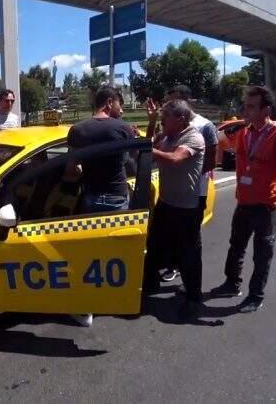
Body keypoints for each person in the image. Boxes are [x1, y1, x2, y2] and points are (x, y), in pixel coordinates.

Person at [210, 86, 276, 313]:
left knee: (262, 254)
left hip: (265, 206)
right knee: (236, 246)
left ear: (265, 110)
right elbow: (221, 147)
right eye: (245, 105)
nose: (245, 110)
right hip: (243, 203)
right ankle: (231, 284)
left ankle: (255, 296)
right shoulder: (244, 133)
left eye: (250, 106)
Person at [65, 85, 135, 327]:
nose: (121, 109)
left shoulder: (77, 131)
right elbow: (129, 164)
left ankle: (86, 310)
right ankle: (118, 301)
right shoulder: (123, 129)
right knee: (116, 255)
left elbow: (71, 171)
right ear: (109, 102)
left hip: (91, 198)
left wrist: (82, 171)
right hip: (117, 198)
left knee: (90, 256)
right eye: (119, 104)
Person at [143, 99, 205, 321]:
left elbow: (175, 159)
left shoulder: (193, 137)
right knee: (153, 247)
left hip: (186, 208)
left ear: (180, 119)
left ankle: (193, 299)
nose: (162, 121)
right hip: (166, 203)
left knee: (188, 256)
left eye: (164, 117)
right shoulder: (167, 135)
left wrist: (149, 149)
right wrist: (150, 124)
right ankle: (150, 285)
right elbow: (148, 145)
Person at [158, 85, 218, 284]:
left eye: (171, 101)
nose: (166, 106)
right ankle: (169, 268)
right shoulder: (168, 132)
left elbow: (211, 159)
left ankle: (192, 292)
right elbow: (154, 145)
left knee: (190, 244)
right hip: (168, 198)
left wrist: (190, 173)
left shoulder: (202, 127)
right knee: (163, 241)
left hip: (194, 192)